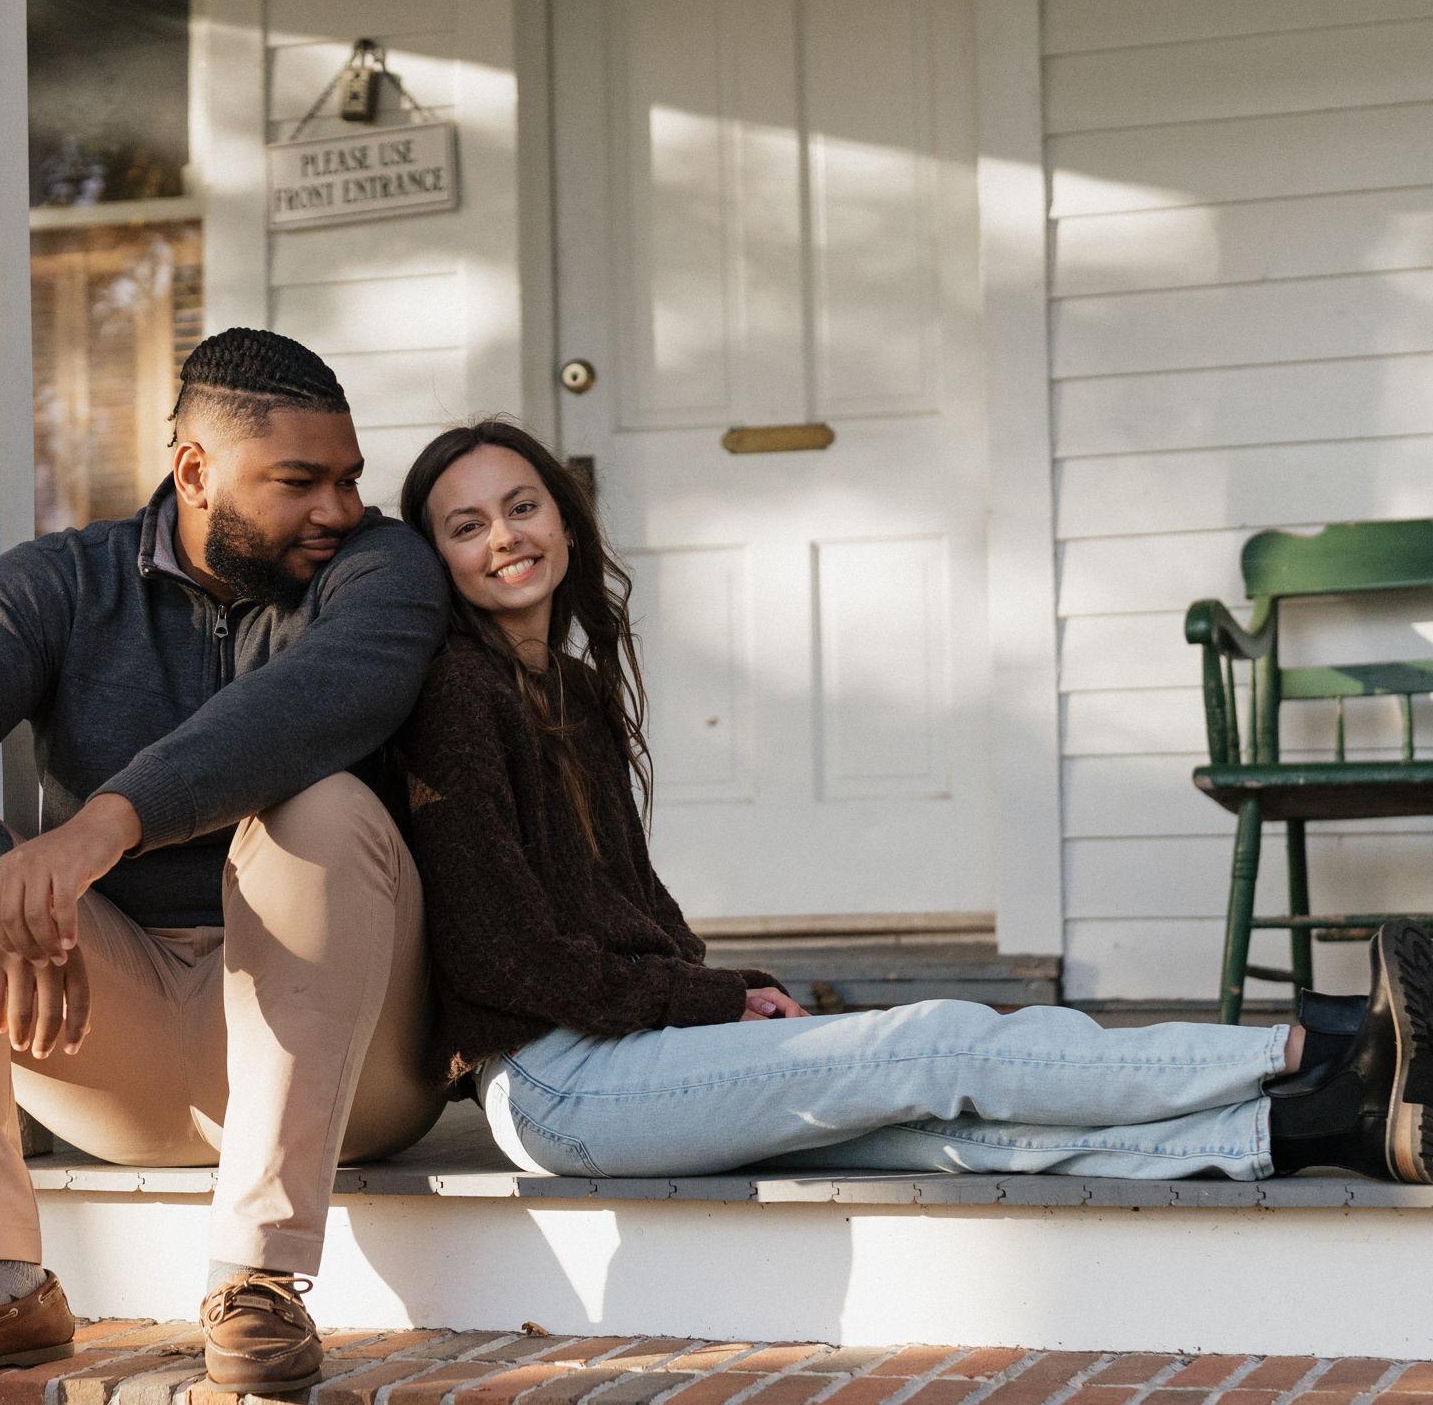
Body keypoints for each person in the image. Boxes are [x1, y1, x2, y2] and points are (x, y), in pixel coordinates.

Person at [395, 418, 1433, 1190]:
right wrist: (705, 1001)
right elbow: (501, 957)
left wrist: (728, 988)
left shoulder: (571, 692)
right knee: (936, 1043)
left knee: (946, 1133)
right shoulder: (457, 696)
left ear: (563, 520)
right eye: (466, 525)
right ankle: (1324, 1046)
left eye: (521, 506)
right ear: (434, 560)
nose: (504, 537)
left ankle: (1327, 1128)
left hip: (623, 1053)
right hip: (561, 1084)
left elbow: (629, 904)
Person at [0, 330, 452, 1395]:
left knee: (324, 804)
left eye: (348, 477)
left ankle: (258, 1281)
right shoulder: (63, 583)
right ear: (196, 471)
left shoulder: (379, 570)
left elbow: (310, 704)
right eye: (300, 481)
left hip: (349, 1058)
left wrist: (104, 824)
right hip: (110, 1037)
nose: (339, 508)